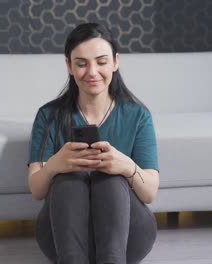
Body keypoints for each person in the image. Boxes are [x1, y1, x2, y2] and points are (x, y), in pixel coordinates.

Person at [27, 22, 159, 264]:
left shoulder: (138, 116)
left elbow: (150, 193)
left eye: (101, 62)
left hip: (128, 237)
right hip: (63, 238)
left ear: (115, 62)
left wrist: (126, 166)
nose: (92, 72)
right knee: (68, 179)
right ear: (68, 65)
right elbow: (36, 190)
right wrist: (56, 164)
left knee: (110, 178)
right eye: (81, 63)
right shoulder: (49, 115)